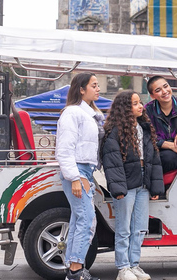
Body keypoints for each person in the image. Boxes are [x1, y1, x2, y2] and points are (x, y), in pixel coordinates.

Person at [101, 90, 164, 280]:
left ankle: (134, 265)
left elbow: (154, 160)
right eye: (135, 103)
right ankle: (123, 268)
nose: (140, 106)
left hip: (143, 182)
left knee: (140, 227)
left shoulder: (144, 128)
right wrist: (118, 188)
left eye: (139, 102)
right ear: (124, 108)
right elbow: (112, 162)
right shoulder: (114, 132)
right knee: (124, 227)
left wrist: (155, 187)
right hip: (126, 184)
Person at [55, 73, 105, 280]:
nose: (98, 88)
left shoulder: (88, 113)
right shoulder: (73, 113)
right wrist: (75, 177)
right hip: (78, 171)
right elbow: (64, 149)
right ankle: (75, 270)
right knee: (86, 220)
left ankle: (74, 269)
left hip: (84, 171)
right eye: (94, 85)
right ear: (81, 89)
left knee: (79, 220)